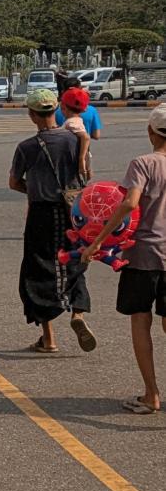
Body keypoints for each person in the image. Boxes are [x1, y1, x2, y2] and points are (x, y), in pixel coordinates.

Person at [83, 106, 166, 413]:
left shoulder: (143, 163)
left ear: (150, 133)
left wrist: (98, 240)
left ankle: (151, 394)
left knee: (141, 322)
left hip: (144, 256)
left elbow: (130, 202)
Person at [8, 88, 96, 354]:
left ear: (32, 115)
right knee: (75, 261)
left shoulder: (27, 147)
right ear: (55, 110)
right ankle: (78, 313)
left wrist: (34, 191)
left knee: (38, 269)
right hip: (74, 211)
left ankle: (48, 337)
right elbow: (87, 175)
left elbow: (14, 183)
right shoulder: (75, 141)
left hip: (41, 213)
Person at [58, 87, 93, 181]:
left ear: (63, 107)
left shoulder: (71, 122)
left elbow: (85, 137)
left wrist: (81, 160)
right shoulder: (76, 121)